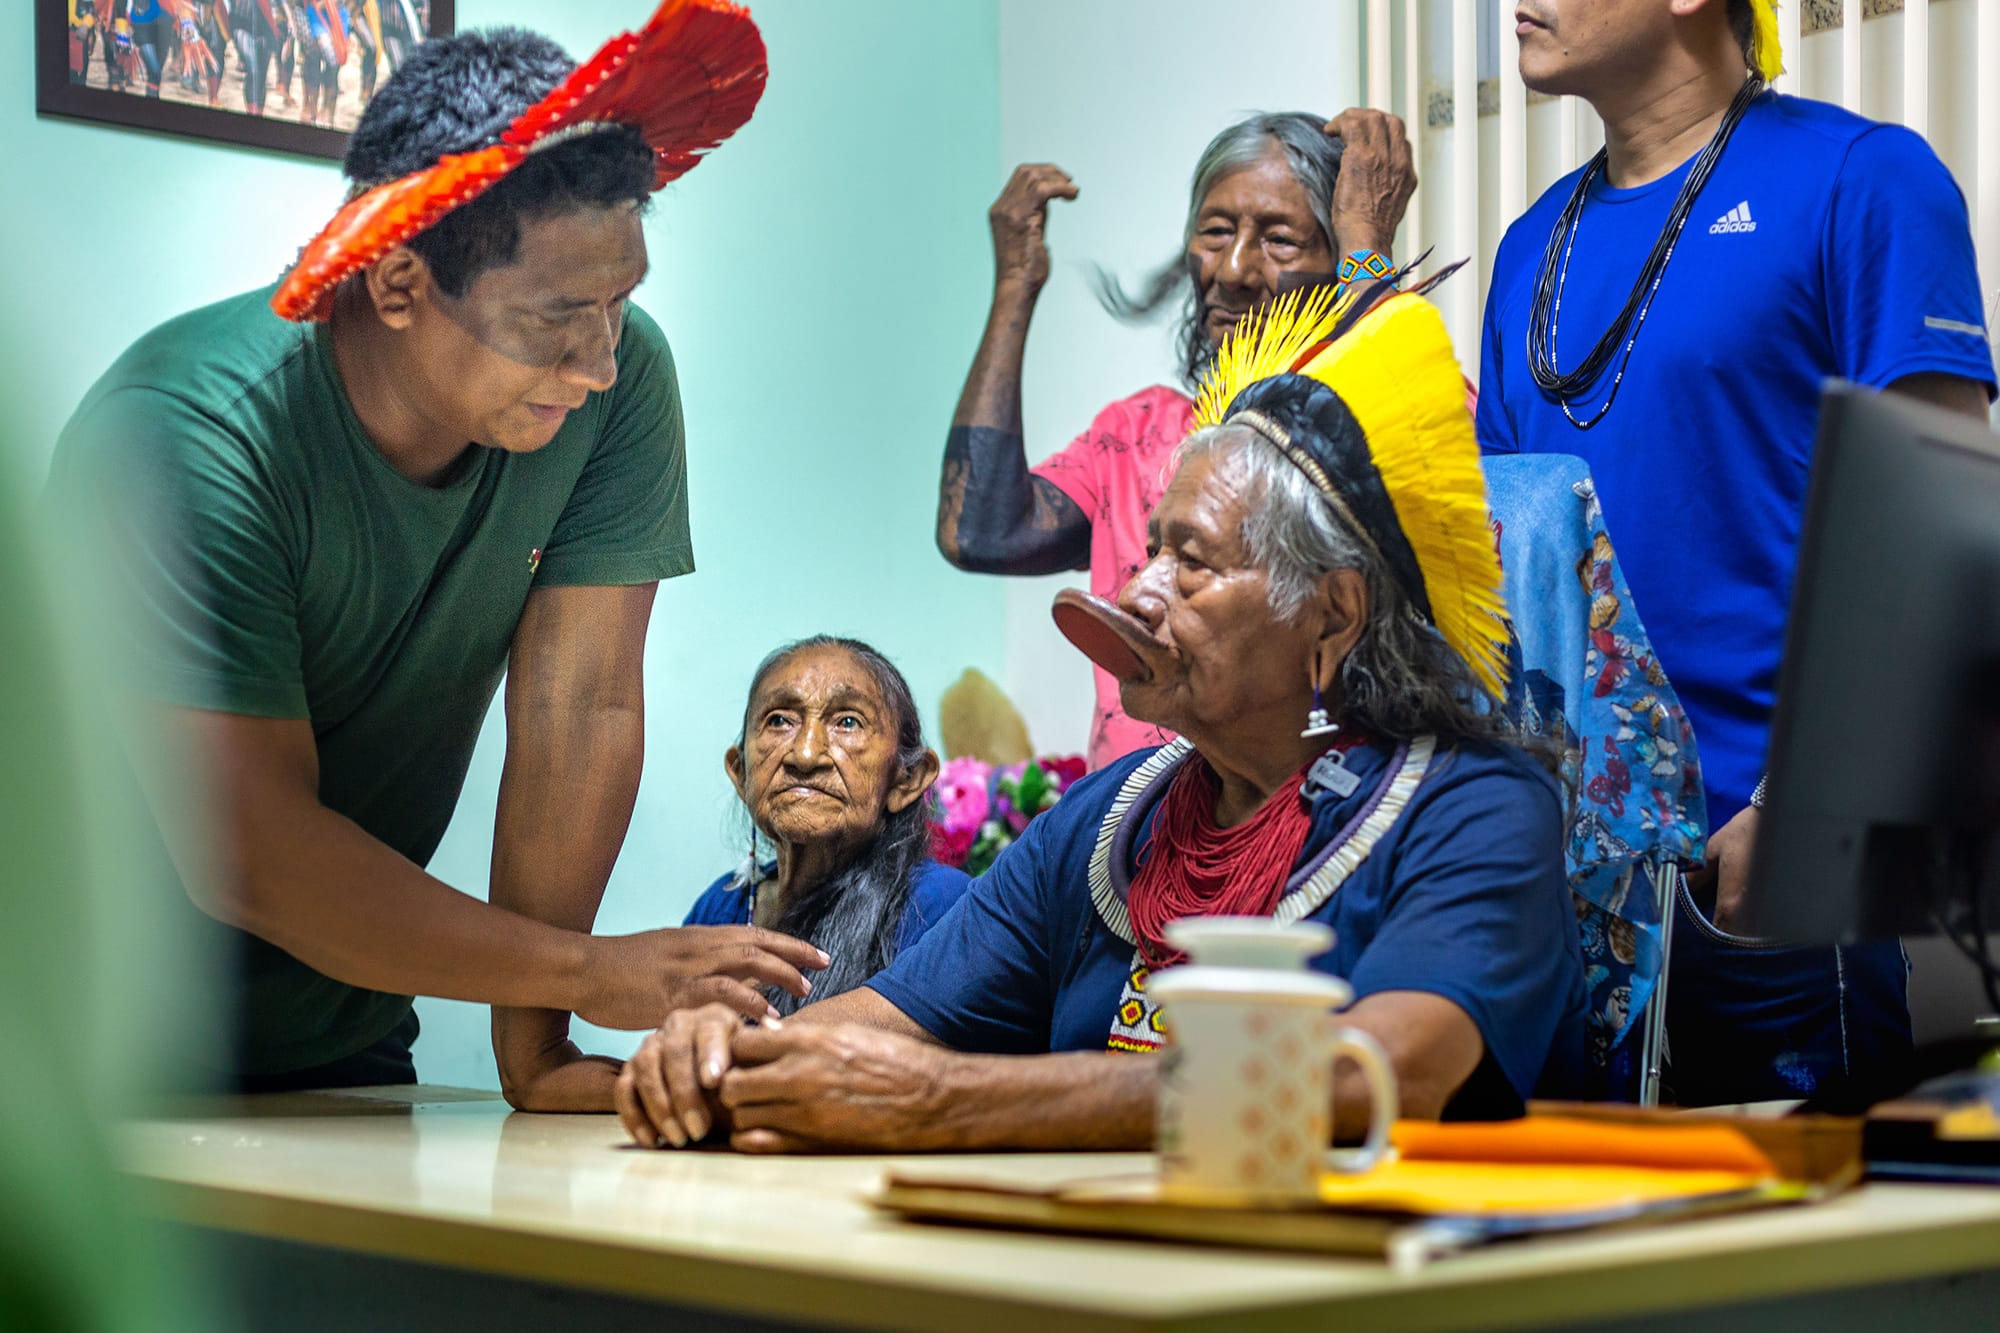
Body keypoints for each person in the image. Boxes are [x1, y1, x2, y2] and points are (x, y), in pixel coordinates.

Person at [42, 4, 825, 1112]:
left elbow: (581, 708)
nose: (599, 360)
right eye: (558, 314)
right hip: (72, 1053)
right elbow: (248, 849)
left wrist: (537, 1052)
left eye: (621, 302)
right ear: (399, 283)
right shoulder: (181, 435)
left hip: (342, 1026)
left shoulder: (615, 384)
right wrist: (593, 973)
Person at [617, 289, 1587, 1151]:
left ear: (1329, 614)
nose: (1136, 590)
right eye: (1148, 548)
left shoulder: (1470, 809)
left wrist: (951, 1103)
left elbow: (1379, 1076)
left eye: (1192, 562)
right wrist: (725, 1057)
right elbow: (876, 1025)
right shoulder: (1109, 819)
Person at [1478, 0, 1996, 1106]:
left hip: (1775, 877)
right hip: (1561, 903)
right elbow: (1504, 573)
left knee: (1803, 1267)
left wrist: (1798, 800)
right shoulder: (1529, 248)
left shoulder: (1862, 179)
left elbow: (1941, 524)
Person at [934, 109, 1418, 770]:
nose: (1236, 268)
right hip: (1137, 836)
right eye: (1215, 231)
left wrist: (1368, 243)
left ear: (1337, 262)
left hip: (1316, 826)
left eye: (1279, 238)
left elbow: (1397, 453)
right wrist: (1017, 283)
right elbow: (978, 530)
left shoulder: (1402, 410)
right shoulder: (1140, 436)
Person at [685, 636, 971, 1015]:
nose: (805, 754)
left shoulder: (942, 906)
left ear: (907, 780)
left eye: (847, 723)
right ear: (742, 774)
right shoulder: (722, 907)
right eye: (780, 721)